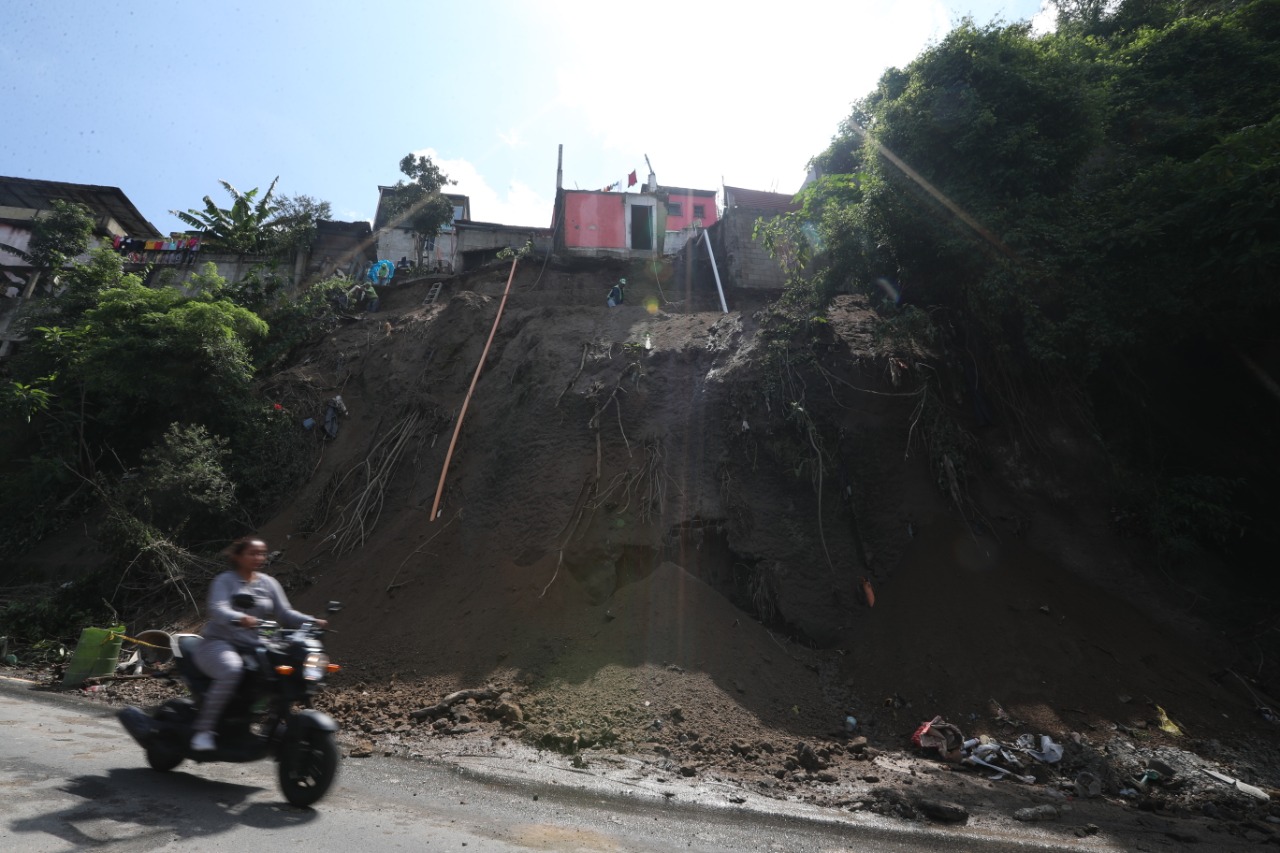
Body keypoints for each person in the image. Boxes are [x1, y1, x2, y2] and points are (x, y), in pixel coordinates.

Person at [190, 537, 324, 752]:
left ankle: (267, 723)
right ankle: (203, 730)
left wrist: (311, 621)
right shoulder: (224, 581)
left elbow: (285, 613)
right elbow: (217, 608)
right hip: (219, 643)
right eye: (253, 553)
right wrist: (238, 618)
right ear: (238, 556)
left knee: (281, 672)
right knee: (232, 669)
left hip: (256, 645)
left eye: (262, 553)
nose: (259, 558)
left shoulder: (268, 583)